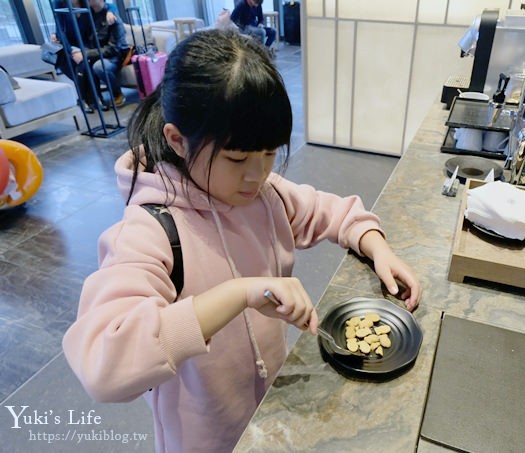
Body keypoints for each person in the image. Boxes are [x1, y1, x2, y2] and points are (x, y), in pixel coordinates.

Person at [62, 29, 421, 453]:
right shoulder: (149, 231)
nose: (258, 174)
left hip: (271, 410)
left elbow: (331, 211)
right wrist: (239, 293)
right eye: (236, 159)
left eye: (269, 153)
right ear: (178, 140)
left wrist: (376, 245)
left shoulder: (263, 195)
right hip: (202, 437)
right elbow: (103, 368)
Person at [68, 0, 128, 111]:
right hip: (97, 53)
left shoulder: (111, 17)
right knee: (80, 62)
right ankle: (90, 98)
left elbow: (113, 49)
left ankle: (117, 94)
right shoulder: (88, 15)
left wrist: (86, 54)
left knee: (98, 66)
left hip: (115, 56)